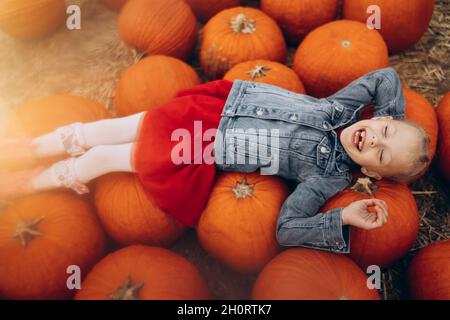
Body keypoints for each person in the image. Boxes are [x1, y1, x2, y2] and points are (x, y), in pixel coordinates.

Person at [0, 67, 430, 253]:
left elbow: (286, 229)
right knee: (95, 131)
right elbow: (385, 78)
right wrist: (392, 118)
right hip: (209, 110)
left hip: (201, 146)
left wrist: (342, 219)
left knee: (102, 159)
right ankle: (24, 150)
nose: (373, 140)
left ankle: (31, 184)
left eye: (381, 155)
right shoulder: (343, 108)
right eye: (383, 131)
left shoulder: (329, 177)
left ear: (371, 172)